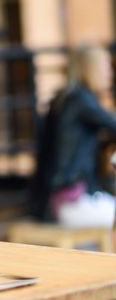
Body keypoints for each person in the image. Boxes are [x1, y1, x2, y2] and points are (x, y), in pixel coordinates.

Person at [32, 45, 116, 228]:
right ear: (91, 68)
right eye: (106, 66)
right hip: (70, 200)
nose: (110, 73)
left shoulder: (66, 97)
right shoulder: (81, 100)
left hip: (57, 198)